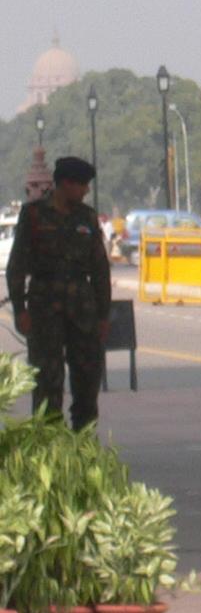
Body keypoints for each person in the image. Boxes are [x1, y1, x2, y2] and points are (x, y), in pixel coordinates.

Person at [5, 157, 110, 429]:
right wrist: (20, 310)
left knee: (87, 382)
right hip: (44, 310)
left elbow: (100, 269)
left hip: (82, 311)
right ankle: (50, 444)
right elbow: (17, 266)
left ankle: (83, 444)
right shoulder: (33, 215)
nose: (86, 190)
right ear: (65, 184)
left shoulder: (87, 217)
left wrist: (103, 315)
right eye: (82, 185)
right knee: (47, 384)